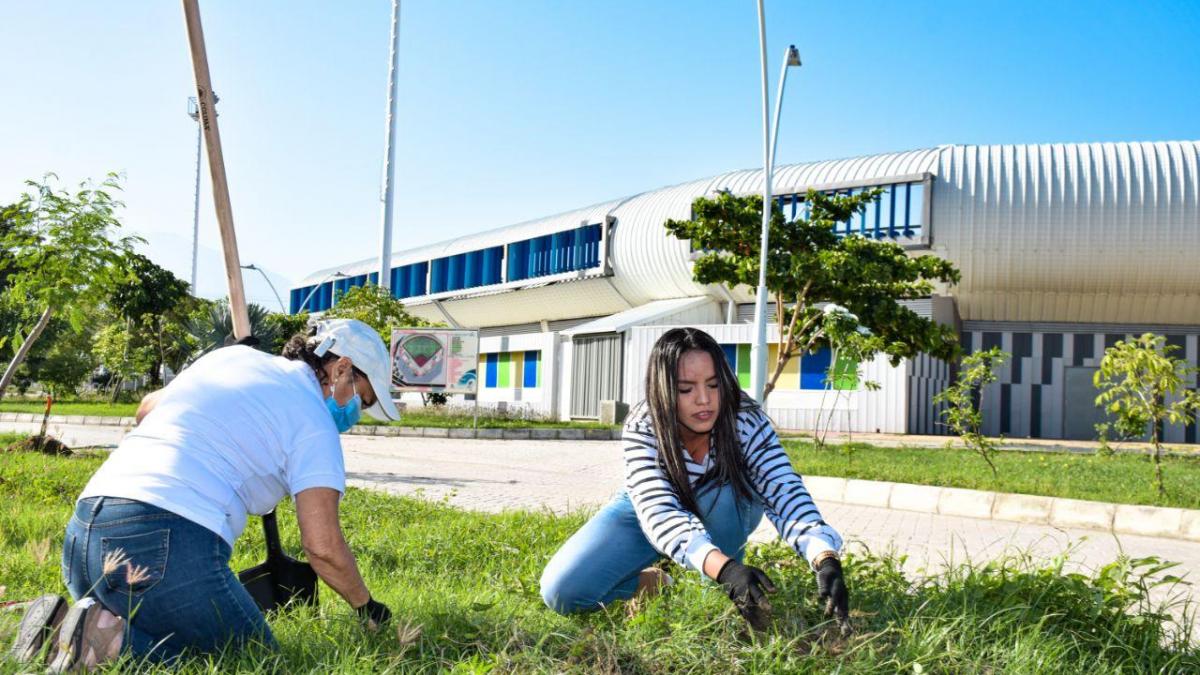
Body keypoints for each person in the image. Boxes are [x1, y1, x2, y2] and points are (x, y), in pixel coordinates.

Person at [9, 319, 399, 671]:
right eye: (361, 399)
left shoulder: (232, 360)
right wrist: (366, 606)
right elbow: (322, 546)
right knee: (252, 662)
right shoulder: (314, 422)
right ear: (341, 368)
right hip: (162, 542)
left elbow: (146, 410)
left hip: (85, 533)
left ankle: (64, 630)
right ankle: (106, 644)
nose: (355, 414)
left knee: (170, 645)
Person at [539, 327, 850, 631]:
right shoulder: (644, 424)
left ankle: (715, 578)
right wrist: (726, 570)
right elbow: (657, 507)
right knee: (562, 591)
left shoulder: (745, 419)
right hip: (651, 505)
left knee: (715, 581)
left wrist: (824, 556)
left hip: (726, 502)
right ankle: (663, 579)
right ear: (662, 390)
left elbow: (782, 487)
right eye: (686, 389)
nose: (704, 399)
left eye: (714, 385)